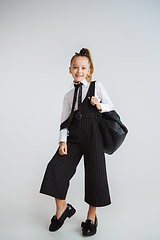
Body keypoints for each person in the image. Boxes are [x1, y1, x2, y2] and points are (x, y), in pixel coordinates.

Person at [40, 48, 114, 236]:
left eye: (83, 67)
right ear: (70, 70)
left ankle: (91, 216)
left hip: (93, 136)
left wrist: (99, 104)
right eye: (75, 67)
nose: (79, 71)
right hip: (74, 137)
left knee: (95, 176)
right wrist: (62, 142)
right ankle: (62, 208)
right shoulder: (68, 96)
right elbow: (64, 121)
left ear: (89, 70)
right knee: (55, 168)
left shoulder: (96, 86)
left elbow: (110, 106)